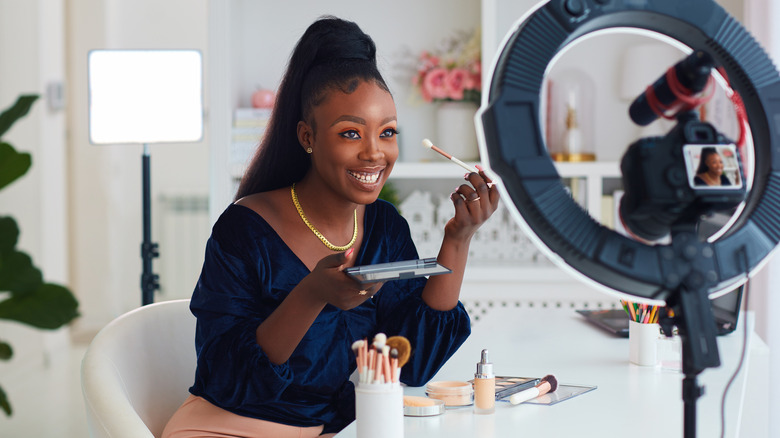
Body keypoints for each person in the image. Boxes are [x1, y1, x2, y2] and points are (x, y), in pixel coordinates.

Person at [162, 16, 499, 438]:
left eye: (388, 132)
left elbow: (412, 364)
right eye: (351, 134)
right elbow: (226, 377)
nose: (375, 153)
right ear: (308, 136)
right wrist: (311, 295)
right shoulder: (244, 230)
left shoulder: (383, 229)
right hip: (233, 427)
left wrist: (458, 238)